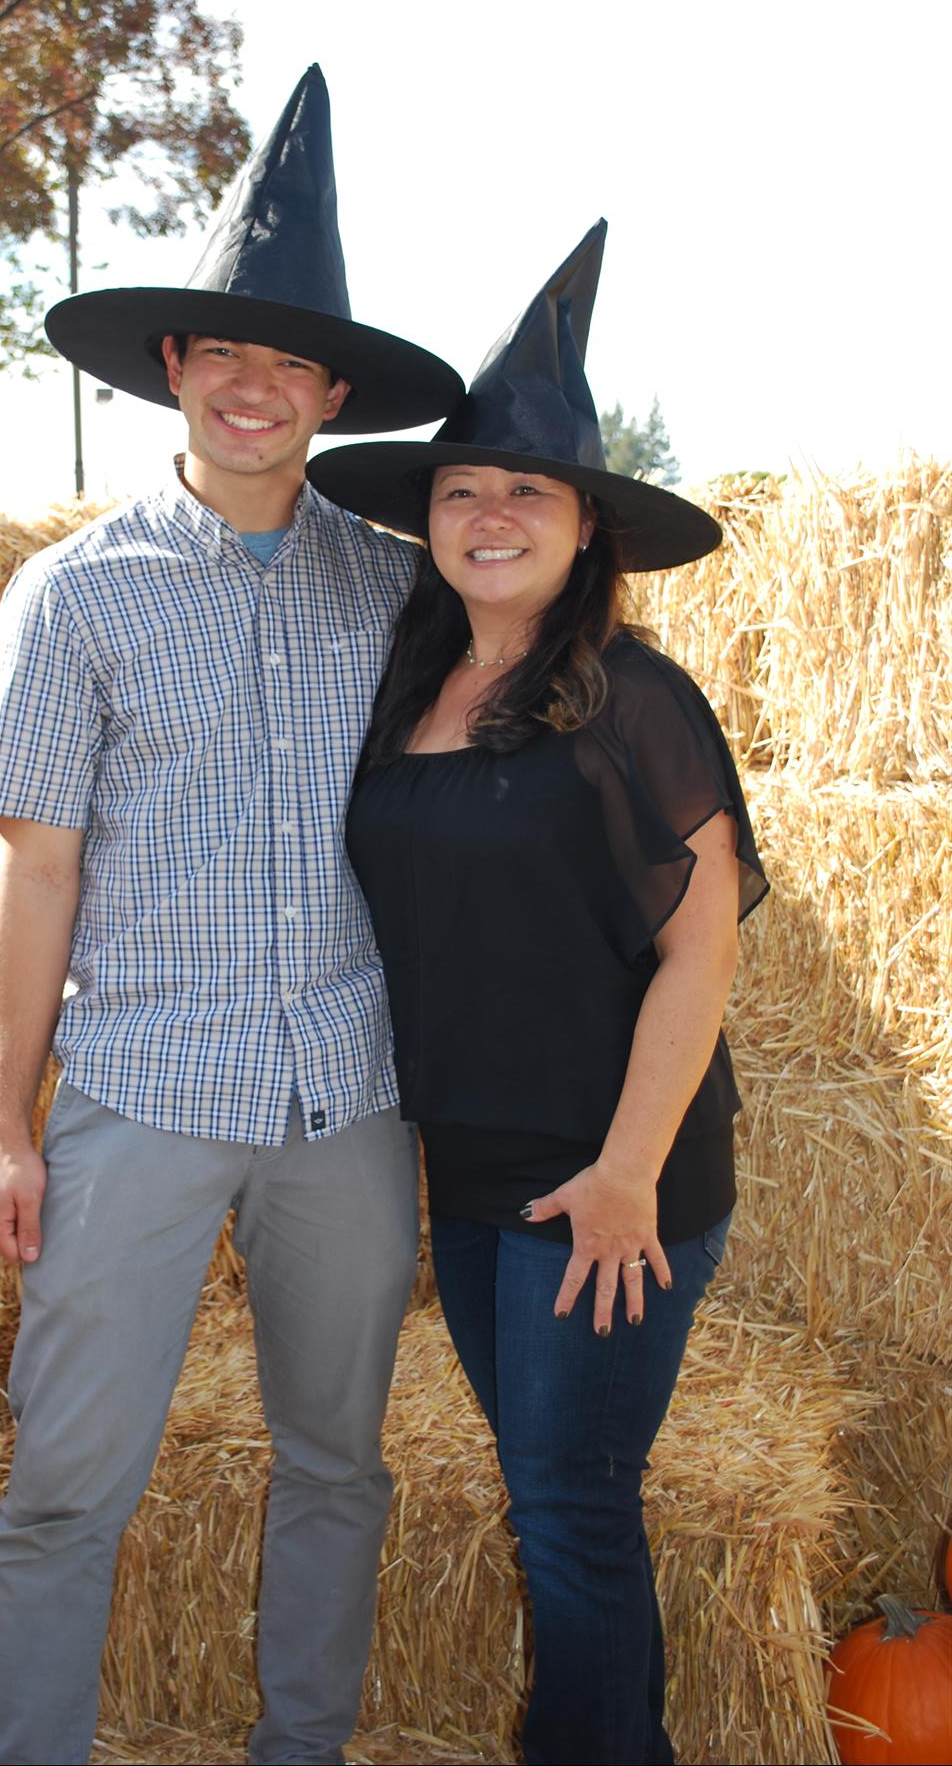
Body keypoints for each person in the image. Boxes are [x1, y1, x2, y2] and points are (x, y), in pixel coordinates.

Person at [0, 65, 462, 1766]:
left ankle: (300, 1747)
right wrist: (5, 1126)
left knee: (339, 1463)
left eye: (289, 362)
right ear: (174, 369)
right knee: (64, 1486)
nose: (254, 388)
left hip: (346, 1102)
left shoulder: (398, 590)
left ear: (332, 390)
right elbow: (34, 870)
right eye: (222, 355)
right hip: (141, 1098)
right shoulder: (74, 594)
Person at [308, 220, 768, 1766]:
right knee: (553, 1497)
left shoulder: (635, 699)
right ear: (427, 516)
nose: (489, 513)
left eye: (527, 489)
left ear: (587, 526)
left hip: (612, 1174)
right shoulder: (407, 685)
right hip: (474, 1173)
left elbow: (704, 940)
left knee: (571, 1513)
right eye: (461, 487)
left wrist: (631, 1173)